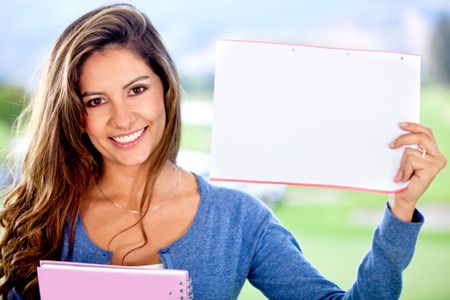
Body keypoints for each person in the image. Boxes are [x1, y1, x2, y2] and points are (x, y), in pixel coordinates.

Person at [0, 4, 447, 300]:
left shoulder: (239, 220)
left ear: (165, 91)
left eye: (136, 89)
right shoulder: (42, 211)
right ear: (73, 113)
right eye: (95, 100)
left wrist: (400, 210)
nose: (122, 118)